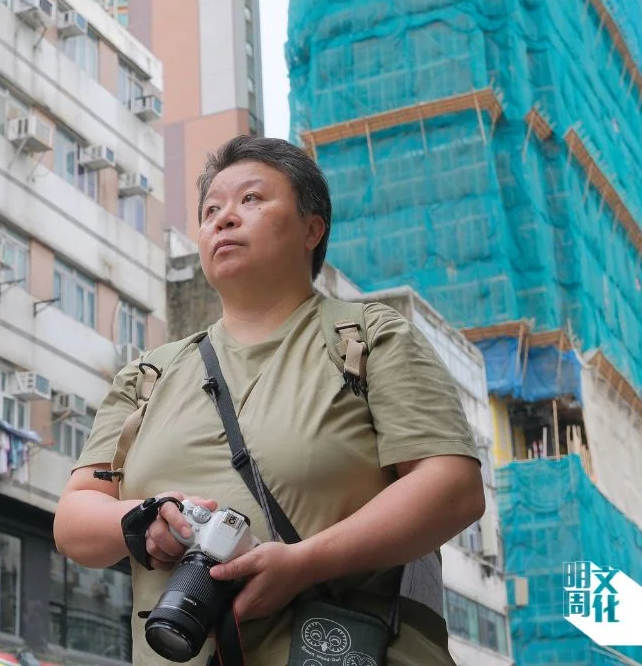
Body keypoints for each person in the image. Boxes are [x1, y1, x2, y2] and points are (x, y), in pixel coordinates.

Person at [53, 136, 485, 665]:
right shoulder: (150, 374)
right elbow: (74, 518)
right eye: (211, 209)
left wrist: (303, 564)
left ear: (312, 228)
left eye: (251, 200)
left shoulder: (369, 338)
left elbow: (453, 488)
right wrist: (142, 520)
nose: (224, 218)